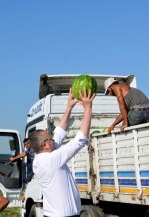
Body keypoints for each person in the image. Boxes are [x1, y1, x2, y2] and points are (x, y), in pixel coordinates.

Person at [29, 88, 95, 217]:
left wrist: (69, 107)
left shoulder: (42, 156)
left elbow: (59, 133)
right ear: (45, 145)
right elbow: (80, 140)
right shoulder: (51, 160)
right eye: (50, 139)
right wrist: (88, 108)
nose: (53, 139)